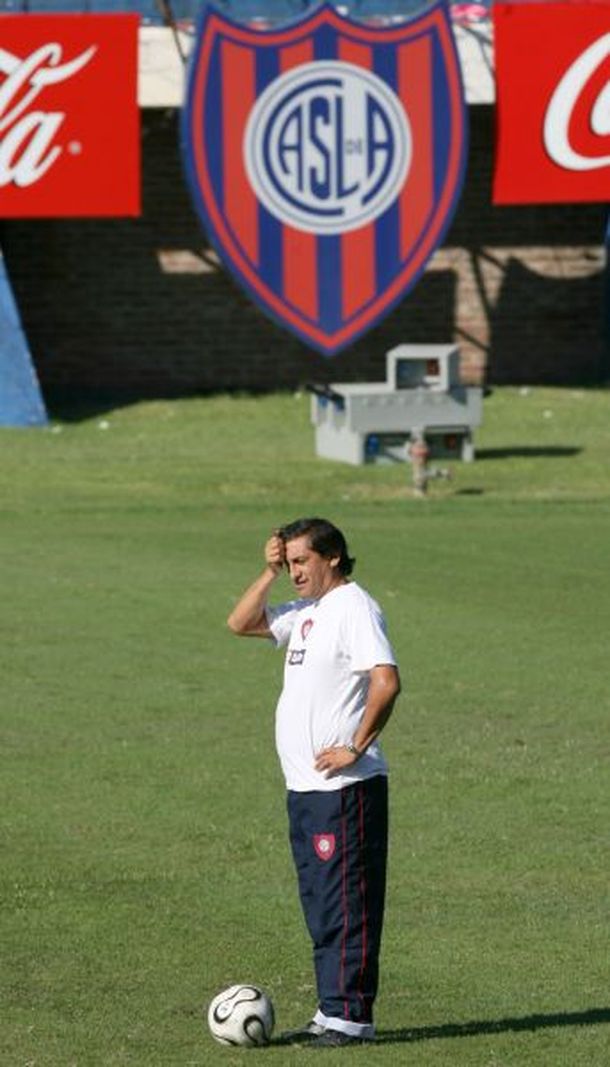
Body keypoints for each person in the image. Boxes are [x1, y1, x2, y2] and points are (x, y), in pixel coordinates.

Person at [227, 517, 401, 1047]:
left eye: (302, 561)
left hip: (345, 791)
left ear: (332, 557)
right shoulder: (308, 612)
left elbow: (386, 680)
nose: (295, 571)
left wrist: (356, 745)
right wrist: (269, 570)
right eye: (291, 561)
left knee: (347, 901)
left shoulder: (354, 607)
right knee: (322, 903)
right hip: (305, 790)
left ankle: (351, 1016)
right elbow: (241, 622)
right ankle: (331, 1011)